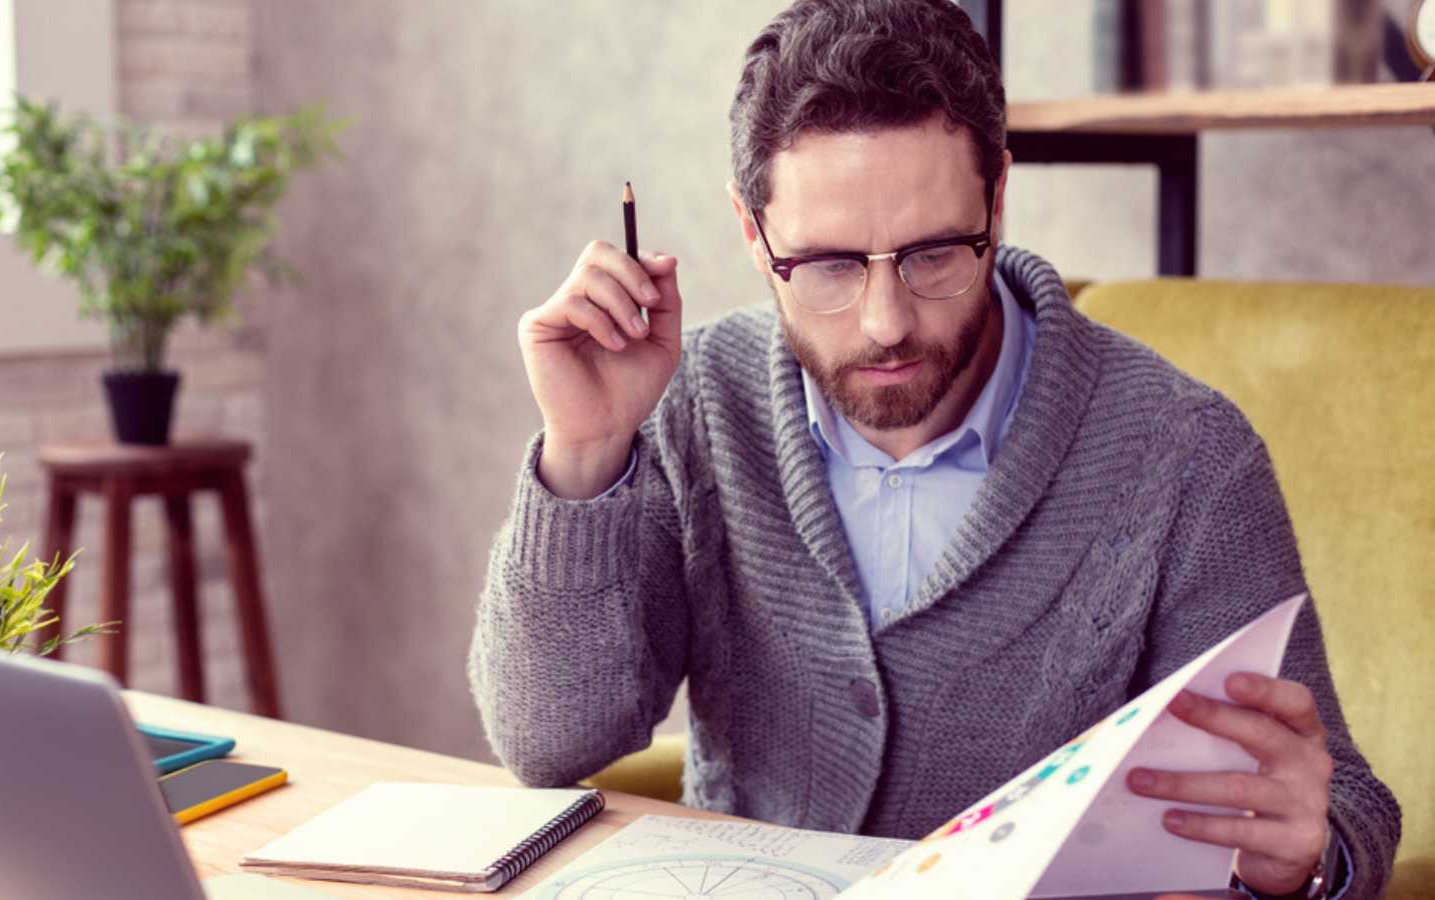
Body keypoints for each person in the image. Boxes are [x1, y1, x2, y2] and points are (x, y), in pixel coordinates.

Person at [467, 2, 1400, 897]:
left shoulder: (1188, 456)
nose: (885, 323)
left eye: (935, 253)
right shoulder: (697, 402)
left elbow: (1342, 807)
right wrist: (586, 451)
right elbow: (548, 743)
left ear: (998, 194)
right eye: (828, 265)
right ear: (754, 234)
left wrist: (1304, 862)